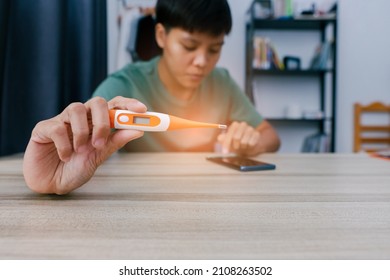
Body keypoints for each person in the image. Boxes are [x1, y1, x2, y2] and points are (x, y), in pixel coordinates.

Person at [23, 0, 280, 195]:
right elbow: (82, 144)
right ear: (161, 36)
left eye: (214, 49)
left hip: (206, 197)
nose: (202, 62)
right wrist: (60, 167)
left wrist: (252, 142)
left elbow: (271, 136)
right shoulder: (123, 86)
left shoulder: (221, 82)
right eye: (190, 46)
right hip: (140, 199)